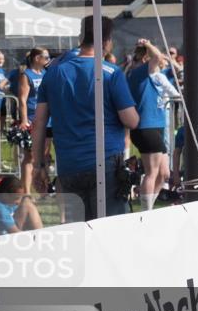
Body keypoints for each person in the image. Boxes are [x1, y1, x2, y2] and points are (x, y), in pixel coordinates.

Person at [32, 16, 139, 221]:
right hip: (105, 162)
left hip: (69, 164)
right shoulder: (111, 73)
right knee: (109, 229)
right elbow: (131, 120)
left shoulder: (53, 73)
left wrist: (39, 166)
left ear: (81, 37)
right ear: (107, 41)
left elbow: (38, 123)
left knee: (79, 229)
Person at [127, 40, 171, 211]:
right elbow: (158, 57)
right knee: (152, 173)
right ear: (146, 58)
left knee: (164, 173)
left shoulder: (147, 72)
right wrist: (149, 44)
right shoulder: (141, 71)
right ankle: (146, 213)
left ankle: (148, 205)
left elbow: (160, 60)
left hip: (156, 126)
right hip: (147, 127)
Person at [14, 48, 50, 194]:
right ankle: (27, 192)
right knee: (30, 157)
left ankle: (44, 189)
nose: (48, 59)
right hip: (31, 119)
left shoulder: (46, 73)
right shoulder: (26, 75)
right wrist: (24, 120)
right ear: (37, 58)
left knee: (45, 156)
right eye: (46, 57)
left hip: (47, 119)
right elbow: (22, 99)